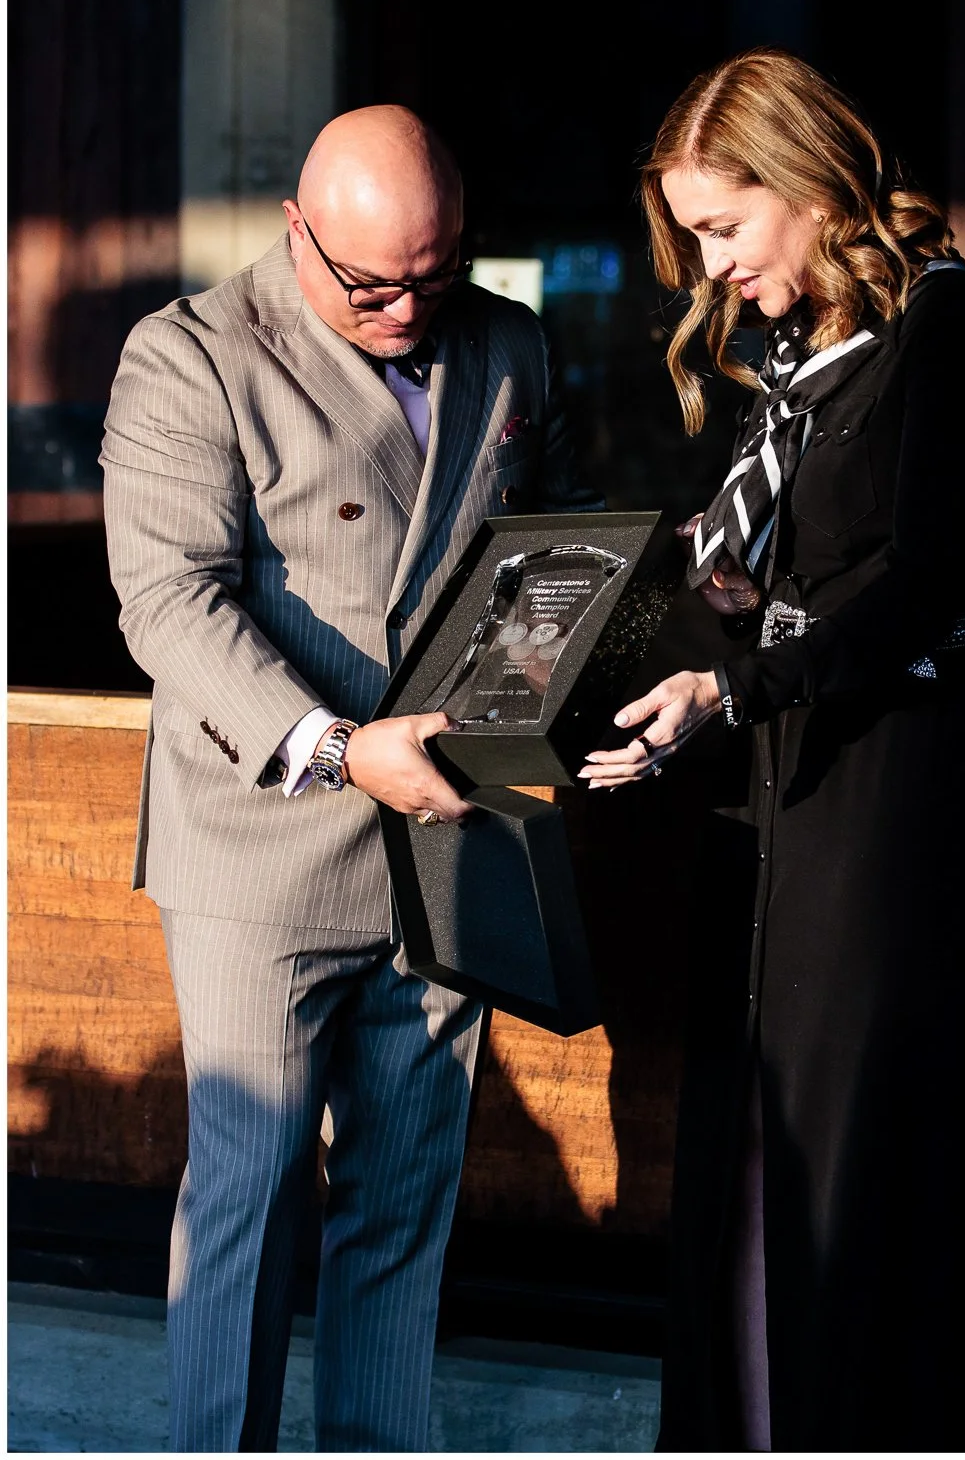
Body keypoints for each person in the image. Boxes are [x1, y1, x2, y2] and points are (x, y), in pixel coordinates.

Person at [100, 106, 599, 1449]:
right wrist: (333, 744)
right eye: (368, 283)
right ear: (295, 230)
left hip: (444, 835)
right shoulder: (191, 355)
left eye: (431, 281)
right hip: (265, 839)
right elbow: (169, 606)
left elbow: (545, 556)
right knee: (250, 1199)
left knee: (407, 1199)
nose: (401, 310)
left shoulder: (509, 344)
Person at [579, 49, 965, 1451]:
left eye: (723, 227)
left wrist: (745, 682)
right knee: (748, 1158)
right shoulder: (793, 359)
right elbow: (731, 582)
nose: (710, 269)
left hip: (882, 799)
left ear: (813, 183)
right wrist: (653, 666)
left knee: (845, 1169)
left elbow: (935, 582)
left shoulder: (952, 328)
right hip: (764, 798)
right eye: (694, 238)